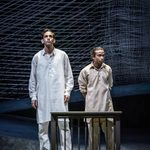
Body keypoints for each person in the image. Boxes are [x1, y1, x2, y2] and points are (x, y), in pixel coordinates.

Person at [29, 28, 74, 150]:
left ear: (54, 39)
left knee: (64, 126)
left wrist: (67, 92)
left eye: (50, 36)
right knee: (42, 127)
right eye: (46, 36)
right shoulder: (37, 57)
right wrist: (33, 96)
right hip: (42, 97)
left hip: (59, 96)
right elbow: (33, 79)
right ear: (42, 40)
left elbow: (69, 76)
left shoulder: (62, 55)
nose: (48, 38)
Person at [78, 47, 114, 150]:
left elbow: (110, 85)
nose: (102, 57)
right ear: (93, 57)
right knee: (93, 141)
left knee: (111, 139)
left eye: (103, 55)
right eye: (99, 55)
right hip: (92, 110)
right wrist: (92, 98)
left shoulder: (108, 69)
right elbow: (83, 88)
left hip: (107, 109)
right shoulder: (86, 71)